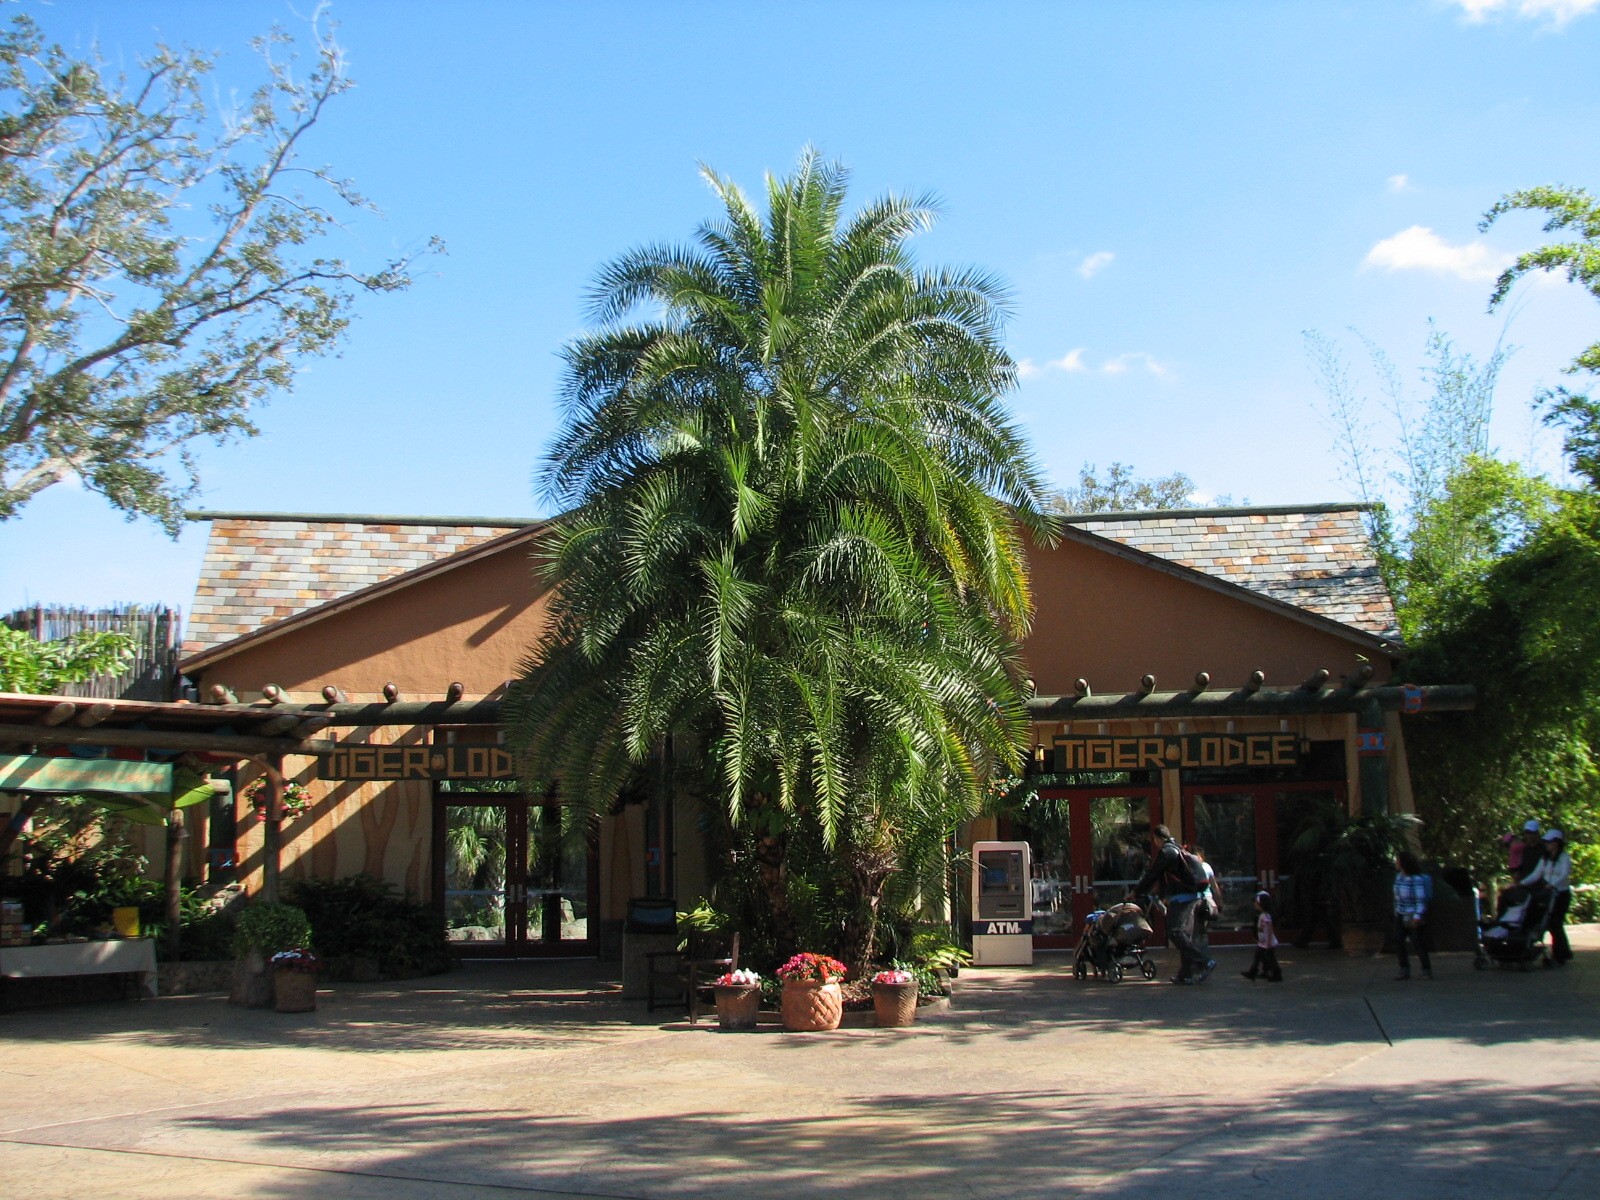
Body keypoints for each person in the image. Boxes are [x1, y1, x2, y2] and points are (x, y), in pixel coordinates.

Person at [1131, 825, 1215, 985]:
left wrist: (1136, 892)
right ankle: (1185, 974)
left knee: (1175, 932)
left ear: (1157, 838)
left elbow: (1152, 874)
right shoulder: (1177, 848)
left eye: (1154, 839)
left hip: (1182, 898)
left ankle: (1203, 961)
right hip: (1191, 897)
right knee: (1182, 934)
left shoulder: (1167, 852)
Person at [1522, 829, 1573, 966]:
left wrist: (1553, 884)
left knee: (1555, 923)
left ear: (1557, 843)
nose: (1547, 844)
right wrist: (1522, 883)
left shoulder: (1564, 858)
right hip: (1547, 895)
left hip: (1560, 894)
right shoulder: (1545, 858)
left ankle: (1560, 955)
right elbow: (1536, 874)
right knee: (1542, 921)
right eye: (1546, 842)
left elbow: (1564, 875)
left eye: (1550, 842)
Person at [1393, 849, 1434, 981]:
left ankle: (1426, 969)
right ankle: (1404, 968)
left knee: (1418, 942)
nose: (1396, 862)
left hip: (1413, 914)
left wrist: (1417, 916)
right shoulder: (1399, 877)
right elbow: (1397, 896)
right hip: (1401, 913)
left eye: (1398, 860)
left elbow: (1419, 899)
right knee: (1398, 940)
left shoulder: (1415, 879)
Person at [1241, 890, 1283, 982]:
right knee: (1259, 956)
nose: (1255, 905)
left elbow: (1269, 930)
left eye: (1257, 903)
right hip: (1263, 941)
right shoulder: (1262, 915)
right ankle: (1253, 972)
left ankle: (1276, 974)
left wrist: (1268, 942)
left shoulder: (1266, 917)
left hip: (1267, 942)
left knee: (1270, 958)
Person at [1191, 845, 1219, 959]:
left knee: (1198, 931)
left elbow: (1214, 886)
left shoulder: (1202, 867)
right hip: (1200, 901)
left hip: (1202, 902)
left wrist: (1219, 901)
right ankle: (1202, 957)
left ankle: (1202, 958)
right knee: (1200, 931)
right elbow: (1214, 886)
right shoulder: (1201, 867)